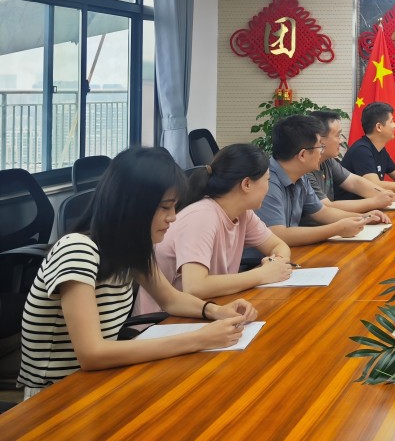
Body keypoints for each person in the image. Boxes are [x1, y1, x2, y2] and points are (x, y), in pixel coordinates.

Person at [18, 146, 258, 400]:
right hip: (55, 395)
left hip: (100, 383)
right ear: (133, 206)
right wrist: (199, 339)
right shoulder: (78, 250)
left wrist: (217, 311)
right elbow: (91, 354)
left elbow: (171, 299)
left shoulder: (132, 247)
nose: (173, 218)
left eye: (174, 207)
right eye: (165, 208)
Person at [135, 144, 294, 314]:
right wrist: (262, 275)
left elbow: (279, 245)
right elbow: (195, 287)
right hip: (167, 319)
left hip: (207, 308)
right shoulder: (202, 216)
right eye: (267, 180)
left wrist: (275, 264)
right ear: (246, 184)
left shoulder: (243, 214)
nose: (268, 188)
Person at [258, 115, 387, 245]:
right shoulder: (267, 181)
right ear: (302, 155)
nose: (321, 151)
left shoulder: (301, 176)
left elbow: (323, 212)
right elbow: (278, 234)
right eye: (319, 146)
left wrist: (364, 217)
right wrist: (337, 229)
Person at [307, 110, 395, 212]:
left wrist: (389, 195)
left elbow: (354, 182)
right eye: (338, 135)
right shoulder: (306, 171)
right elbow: (325, 208)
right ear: (319, 139)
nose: (341, 141)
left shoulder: (328, 162)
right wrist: (374, 202)